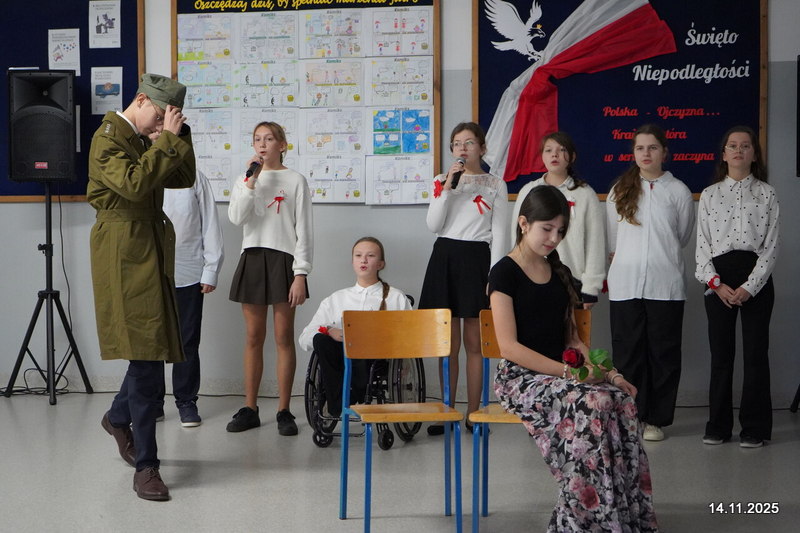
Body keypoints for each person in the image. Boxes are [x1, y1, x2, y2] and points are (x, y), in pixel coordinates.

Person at [491, 185, 657, 532]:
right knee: (593, 402)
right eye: (546, 229)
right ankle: (584, 519)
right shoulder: (503, 272)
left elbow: (572, 340)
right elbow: (508, 348)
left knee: (622, 400)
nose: (554, 238)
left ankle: (621, 514)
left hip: (560, 373)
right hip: (519, 378)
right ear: (524, 223)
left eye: (560, 231)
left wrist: (611, 374)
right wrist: (569, 374)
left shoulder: (559, 271)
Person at [89, 73, 195, 501]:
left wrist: (177, 135)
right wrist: (164, 140)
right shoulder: (107, 139)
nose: (161, 123)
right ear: (140, 99)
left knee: (151, 347)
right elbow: (134, 185)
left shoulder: (142, 138)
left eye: (170, 117)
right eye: (161, 114)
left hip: (148, 248)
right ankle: (147, 466)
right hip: (123, 253)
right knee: (148, 359)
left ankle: (118, 417)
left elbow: (182, 178)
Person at [606, 124, 695, 442]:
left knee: (663, 355)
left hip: (665, 285)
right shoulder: (619, 190)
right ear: (633, 153)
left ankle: (655, 420)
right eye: (640, 148)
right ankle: (630, 418)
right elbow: (613, 239)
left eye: (653, 147)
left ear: (664, 152)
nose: (646, 153)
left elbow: (681, 236)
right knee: (628, 355)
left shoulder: (678, 191)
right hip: (626, 284)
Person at [419, 121, 509, 435]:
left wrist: (495, 276)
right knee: (447, 344)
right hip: (444, 257)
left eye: (469, 142)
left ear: (482, 148)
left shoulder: (496, 184)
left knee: (474, 343)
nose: (462, 148)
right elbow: (433, 225)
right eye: (457, 143)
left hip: (476, 259)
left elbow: (500, 235)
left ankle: (474, 413)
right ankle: (446, 413)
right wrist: (446, 188)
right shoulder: (441, 180)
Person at [227, 121, 313, 435]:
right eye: (257, 140)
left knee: (283, 337)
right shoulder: (246, 179)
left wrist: (300, 273)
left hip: (283, 261)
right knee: (253, 337)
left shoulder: (295, 180)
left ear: (282, 145)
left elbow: (304, 229)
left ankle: (284, 410)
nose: (262, 145)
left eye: (269, 139)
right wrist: (250, 183)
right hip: (252, 257)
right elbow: (236, 217)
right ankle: (250, 408)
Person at [695, 126, 779, 448]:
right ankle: (718, 426)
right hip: (719, 277)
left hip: (756, 277)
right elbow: (702, 247)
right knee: (721, 355)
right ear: (724, 154)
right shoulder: (710, 194)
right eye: (733, 145)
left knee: (756, 354)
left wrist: (750, 286)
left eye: (745, 146)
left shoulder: (767, 194)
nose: (739, 150)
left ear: (754, 154)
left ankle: (754, 428)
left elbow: (771, 246)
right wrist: (716, 284)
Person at [298, 237, 411, 417]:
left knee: (362, 334)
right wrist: (330, 330)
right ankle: (338, 401)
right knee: (320, 338)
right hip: (338, 357)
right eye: (358, 256)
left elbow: (410, 336)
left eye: (370, 256)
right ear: (352, 262)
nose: (363, 260)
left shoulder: (396, 297)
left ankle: (348, 397)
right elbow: (304, 338)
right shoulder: (336, 299)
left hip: (376, 358)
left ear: (381, 264)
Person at [510, 131, 605, 308]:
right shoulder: (528, 191)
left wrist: (591, 287)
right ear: (542, 156)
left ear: (572, 156)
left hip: (571, 280)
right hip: (530, 276)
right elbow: (516, 237)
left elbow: (595, 243)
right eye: (548, 150)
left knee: (568, 326)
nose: (555, 155)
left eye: (562, 150)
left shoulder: (585, 194)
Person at [162, 168, 224, 427]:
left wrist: (211, 269)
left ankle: (186, 401)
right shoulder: (142, 173)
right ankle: (151, 402)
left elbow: (210, 224)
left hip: (188, 269)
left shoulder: (195, 177)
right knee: (151, 341)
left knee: (186, 340)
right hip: (149, 271)